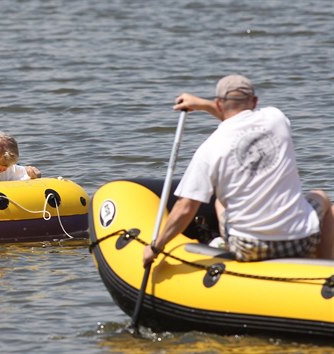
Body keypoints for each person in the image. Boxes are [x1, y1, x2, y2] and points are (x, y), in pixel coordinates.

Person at [143, 74, 334, 266]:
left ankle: (224, 244)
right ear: (255, 101)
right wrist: (203, 104)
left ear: (219, 104)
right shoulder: (276, 119)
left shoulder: (209, 149)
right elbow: (241, 121)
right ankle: (325, 272)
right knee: (321, 197)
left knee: (219, 202)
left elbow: (185, 208)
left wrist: (156, 247)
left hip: (249, 248)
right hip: (301, 242)